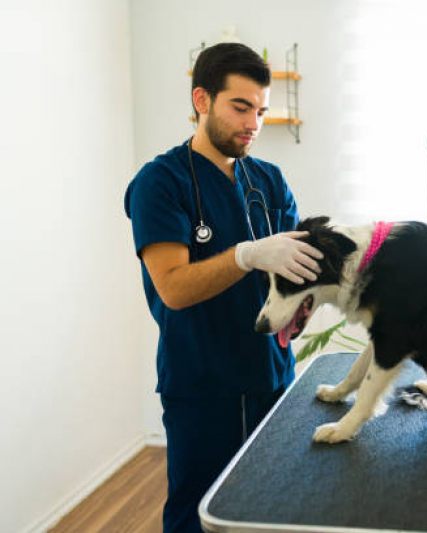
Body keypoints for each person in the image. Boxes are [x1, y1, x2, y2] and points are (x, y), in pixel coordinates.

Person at [124, 43, 322, 533]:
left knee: (269, 511)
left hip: (272, 379)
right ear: (202, 100)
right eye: (240, 107)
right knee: (200, 514)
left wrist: (302, 305)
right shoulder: (160, 183)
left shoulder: (270, 180)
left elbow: (294, 271)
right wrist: (245, 255)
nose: (253, 123)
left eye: (260, 111)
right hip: (203, 386)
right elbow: (171, 288)